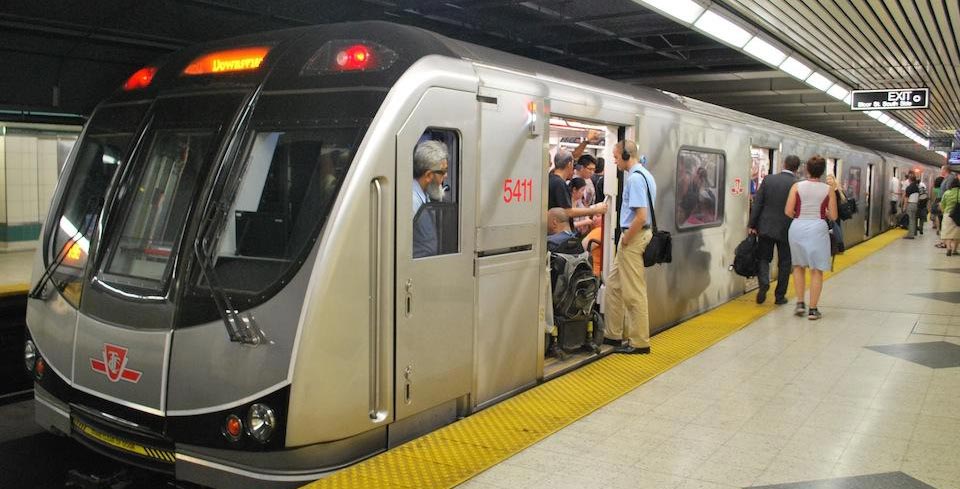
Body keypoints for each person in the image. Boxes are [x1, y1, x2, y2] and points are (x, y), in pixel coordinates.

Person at [603, 140, 655, 354]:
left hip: (633, 238)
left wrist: (626, 239)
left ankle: (639, 342)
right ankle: (613, 334)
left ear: (626, 155)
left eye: (616, 157)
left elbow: (641, 216)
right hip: (633, 237)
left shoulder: (634, 179)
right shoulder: (645, 175)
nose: (614, 161)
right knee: (614, 285)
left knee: (634, 292)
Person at [785, 155, 837, 320]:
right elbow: (834, 216)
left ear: (807, 169)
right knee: (816, 270)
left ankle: (800, 303)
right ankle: (813, 310)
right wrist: (825, 213)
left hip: (797, 227)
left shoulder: (796, 186)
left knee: (798, 266)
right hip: (818, 228)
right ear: (822, 172)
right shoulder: (828, 189)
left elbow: (788, 211)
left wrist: (801, 216)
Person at [748, 155, 799, 305]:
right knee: (784, 262)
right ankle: (779, 296)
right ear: (796, 168)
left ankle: (764, 282)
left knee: (764, 257)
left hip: (766, 227)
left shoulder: (769, 180)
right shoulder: (797, 184)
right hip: (787, 229)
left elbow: (758, 203)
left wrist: (752, 225)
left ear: (784, 164)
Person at [412, 140, 448, 258]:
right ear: (428, 176)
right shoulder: (412, 201)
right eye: (443, 172)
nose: (446, 176)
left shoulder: (424, 195)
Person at [548, 150, 607, 221]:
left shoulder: (551, 178)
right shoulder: (559, 183)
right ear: (569, 164)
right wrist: (596, 210)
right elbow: (568, 212)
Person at [940, 178, 960, 256]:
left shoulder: (947, 193)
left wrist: (944, 212)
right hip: (958, 215)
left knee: (947, 233)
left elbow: (942, 205)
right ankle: (954, 249)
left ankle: (948, 248)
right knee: (957, 233)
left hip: (947, 215)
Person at [903, 173, 919, 239]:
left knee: (910, 220)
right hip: (915, 204)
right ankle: (913, 232)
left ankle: (910, 235)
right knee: (913, 219)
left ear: (909, 179)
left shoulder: (909, 188)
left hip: (910, 204)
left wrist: (904, 207)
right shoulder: (916, 187)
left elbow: (906, 198)